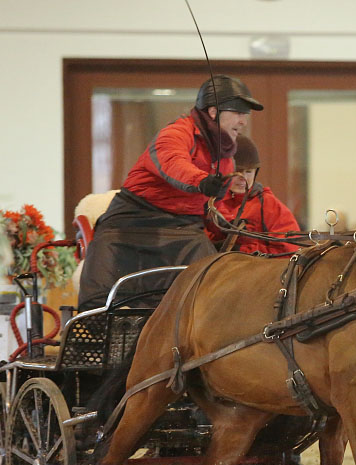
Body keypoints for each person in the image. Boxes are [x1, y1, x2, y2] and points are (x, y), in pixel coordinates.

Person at [76, 74, 263, 310]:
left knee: (212, 287)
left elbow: (214, 209)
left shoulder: (225, 160)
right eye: (238, 112)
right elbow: (173, 163)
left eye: (245, 114)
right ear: (214, 112)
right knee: (101, 288)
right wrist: (201, 180)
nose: (243, 121)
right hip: (131, 223)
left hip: (184, 230)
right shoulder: (175, 133)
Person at [207, 135, 302, 255]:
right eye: (238, 171)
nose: (243, 178)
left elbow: (289, 250)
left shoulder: (268, 205)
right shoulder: (211, 202)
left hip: (255, 271)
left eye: (248, 172)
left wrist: (242, 251)